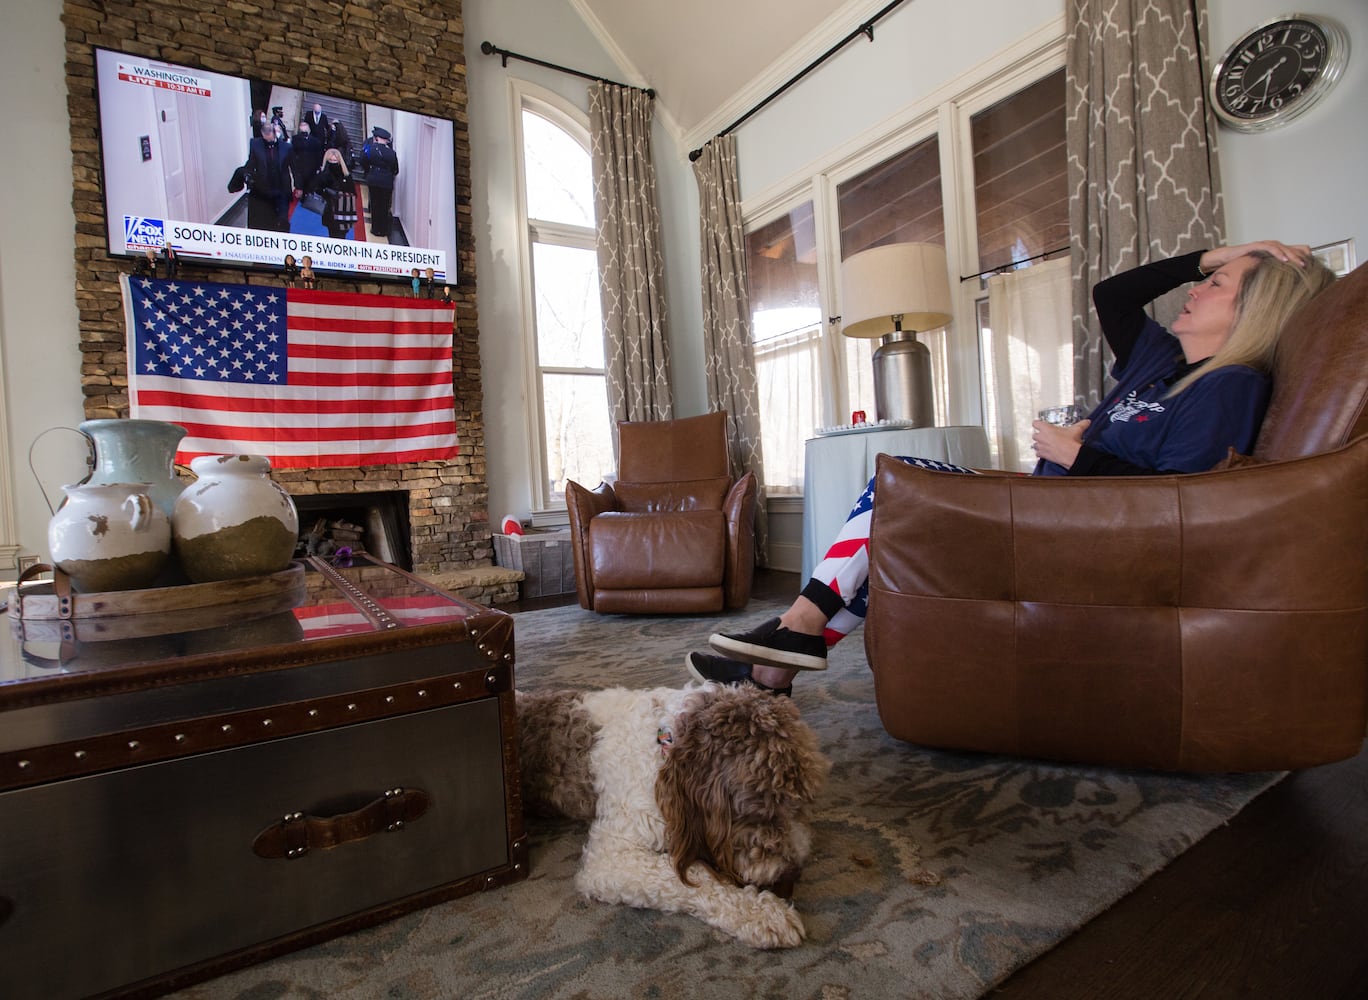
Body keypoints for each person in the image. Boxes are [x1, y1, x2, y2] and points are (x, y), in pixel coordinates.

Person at [687, 241, 1337, 696]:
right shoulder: (1161, 360)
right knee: (897, 499)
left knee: (897, 481)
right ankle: (775, 672)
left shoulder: (1230, 389)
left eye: (1216, 285)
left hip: (1075, 540)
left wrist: (1078, 457)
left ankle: (796, 628)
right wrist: (1213, 256)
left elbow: (1182, 506)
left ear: (1252, 311)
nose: (1196, 290)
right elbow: (1114, 294)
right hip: (1042, 509)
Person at [241, 122, 295, 232]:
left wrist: (299, 185)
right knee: (265, 221)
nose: (268, 140)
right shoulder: (255, 144)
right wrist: (247, 174)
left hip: (282, 189)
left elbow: (294, 166)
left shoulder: (286, 147)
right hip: (263, 189)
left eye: (270, 137)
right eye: (266, 137)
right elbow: (251, 163)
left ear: (274, 133)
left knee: (283, 221)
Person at [360, 125, 399, 238]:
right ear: (386, 140)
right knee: (385, 205)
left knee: (375, 204)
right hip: (387, 181)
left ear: (376, 138)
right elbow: (395, 169)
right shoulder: (391, 153)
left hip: (374, 179)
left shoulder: (369, 149)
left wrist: (369, 172)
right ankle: (383, 230)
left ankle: (375, 229)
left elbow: (363, 161)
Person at [308, 147, 354, 240]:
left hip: (343, 209)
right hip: (329, 209)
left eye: (335, 160)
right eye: (330, 160)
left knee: (341, 236)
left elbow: (353, 192)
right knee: (332, 234)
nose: (333, 162)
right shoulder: (323, 174)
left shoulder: (346, 175)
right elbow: (316, 189)